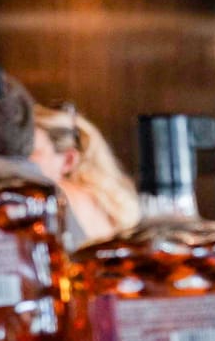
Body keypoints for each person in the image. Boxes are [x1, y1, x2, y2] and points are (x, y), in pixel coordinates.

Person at [30, 103, 141, 244]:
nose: (20, 162)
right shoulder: (102, 198)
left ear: (68, 160)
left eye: (31, 153)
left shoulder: (55, 195)